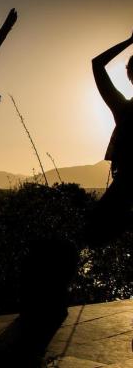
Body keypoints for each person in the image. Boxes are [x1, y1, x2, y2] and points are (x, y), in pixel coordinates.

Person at [90, 32, 133, 244]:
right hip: (124, 187)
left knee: (94, 235)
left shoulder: (123, 109)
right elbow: (96, 64)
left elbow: (97, 64)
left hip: (125, 186)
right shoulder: (124, 109)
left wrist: (129, 41)